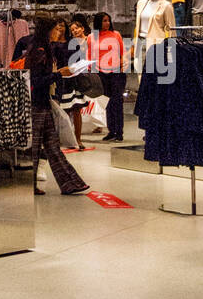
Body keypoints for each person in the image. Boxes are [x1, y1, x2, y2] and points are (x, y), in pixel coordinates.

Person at [23, 15, 90, 197]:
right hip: (37, 104)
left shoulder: (42, 49)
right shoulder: (40, 51)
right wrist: (59, 74)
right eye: (55, 29)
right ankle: (31, 184)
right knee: (38, 147)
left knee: (50, 146)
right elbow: (35, 80)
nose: (58, 32)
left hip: (42, 103)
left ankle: (70, 182)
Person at [88, 11, 127, 143]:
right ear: (99, 22)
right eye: (104, 20)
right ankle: (111, 130)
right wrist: (91, 72)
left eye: (108, 20)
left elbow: (123, 53)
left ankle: (119, 131)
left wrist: (123, 67)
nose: (107, 23)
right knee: (107, 103)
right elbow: (90, 56)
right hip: (100, 72)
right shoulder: (92, 37)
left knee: (117, 101)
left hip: (116, 72)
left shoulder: (116, 35)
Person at [64, 15, 93, 150]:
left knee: (77, 108)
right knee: (68, 109)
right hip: (70, 76)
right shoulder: (69, 43)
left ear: (82, 28)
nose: (74, 31)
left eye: (76, 28)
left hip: (81, 74)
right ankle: (69, 138)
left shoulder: (89, 40)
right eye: (72, 30)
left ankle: (78, 138)